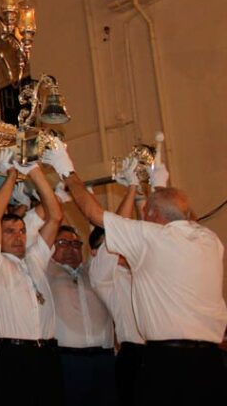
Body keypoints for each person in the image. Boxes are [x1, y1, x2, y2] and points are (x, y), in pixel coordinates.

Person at [43, 140, 227, 405]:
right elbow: (180, 216)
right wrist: (158, 186)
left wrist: (66, 170)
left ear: (150, 214)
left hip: (167, 361)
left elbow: (94, 214)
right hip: (210, 361)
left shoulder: (152, 238)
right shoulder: (209, 239)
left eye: (146, 212)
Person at [0, 149, 65, 406]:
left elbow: (56, 216)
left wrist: (35, 172)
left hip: (48, 353)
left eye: (21, 231)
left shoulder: (35, 259)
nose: (18, 236)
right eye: (10, 231)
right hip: (16, 356)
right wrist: (11, 176)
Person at [86, 180, 146, 405]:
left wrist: (141, 200)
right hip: (134, 354)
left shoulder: (139, 271)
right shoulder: (103, 277)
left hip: (161, 352)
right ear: (95, 252)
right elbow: (116, 233)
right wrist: (131, 189)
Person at [45, 225, 116, 406]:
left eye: (76, 244)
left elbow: (110, 245)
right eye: (62, 243)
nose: (71, 248)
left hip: (104, 359)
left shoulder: (94, 272)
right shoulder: (44, 272)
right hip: (67, 361)